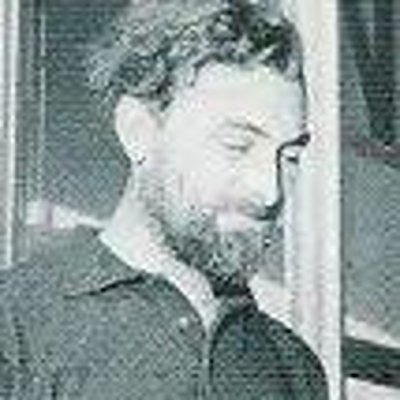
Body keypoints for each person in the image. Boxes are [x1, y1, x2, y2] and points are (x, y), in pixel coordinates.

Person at [0, 0, 328, 398]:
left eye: (289, 157)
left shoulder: (294, 368)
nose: (269, 190)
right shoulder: (14, 329)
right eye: (237, 146)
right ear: (138, 131)